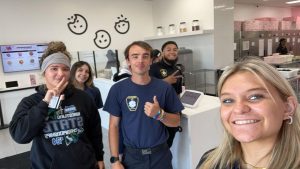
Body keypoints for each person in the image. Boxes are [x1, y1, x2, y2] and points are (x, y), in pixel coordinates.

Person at [9, 41, 105, 169]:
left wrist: (99, 157)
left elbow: (95, 132)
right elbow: (20, 136)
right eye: (54, 68)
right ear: (44, 73)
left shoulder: (84, 98)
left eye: (65, 69)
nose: (60, 74)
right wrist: (45, 104)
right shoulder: (30, 102)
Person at [197, 57, 300, 169]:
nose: (239, 109)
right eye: (228, 100)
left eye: (255, 97)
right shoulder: (209, 162)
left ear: (288, 108)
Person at [104, 41, 184, 169]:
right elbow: (113, 126)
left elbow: (176, 121)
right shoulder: (117, 90)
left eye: (145, 56)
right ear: (128, 61)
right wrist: (114, 160)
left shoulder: (164, 88)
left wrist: (159, 114)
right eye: (135, 56)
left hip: (160, 156)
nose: (140, 60)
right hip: (132, 157)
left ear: (151, 60)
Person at [149, 41, 183, 147]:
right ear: (163, 52)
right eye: (168, 49)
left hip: (172, 115)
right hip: (156, 114)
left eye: (175, 49)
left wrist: (179, 110)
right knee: (156, 146)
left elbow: (177, 94)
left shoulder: (177, 70)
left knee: (168, 145)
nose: (172, 52)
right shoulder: (153, 68)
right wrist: (165, 82)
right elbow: (146, 88)